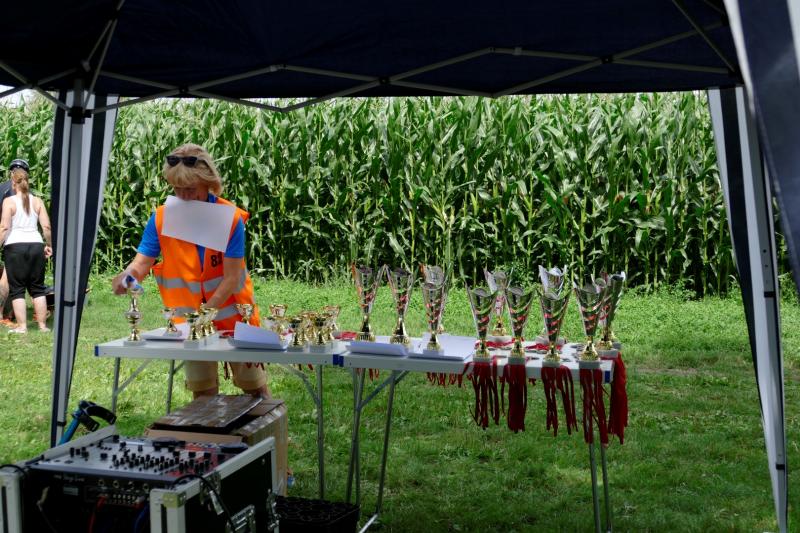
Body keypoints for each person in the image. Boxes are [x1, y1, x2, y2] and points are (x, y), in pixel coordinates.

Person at [112, 143, 269, 399]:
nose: (183, 196)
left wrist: (205, 314)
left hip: (236, 320)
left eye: (190, 189)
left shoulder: (230, 219)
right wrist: (127, 278)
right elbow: (141, 263)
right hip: (189, 326)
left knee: (256, 390)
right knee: (203, 395)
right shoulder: (161, 218)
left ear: (209, 184)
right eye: (177, 189)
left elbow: (231, 278)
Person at [0, 159, 53, 333]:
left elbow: (4, 227)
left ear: (13, 182)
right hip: (36, 245)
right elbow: (46, 227)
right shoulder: (37, 201)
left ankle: (22, 327)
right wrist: (49, 245)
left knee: (17, 289)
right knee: (38, 288)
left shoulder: (9, 202)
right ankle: (43, 326)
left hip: (15, 247)